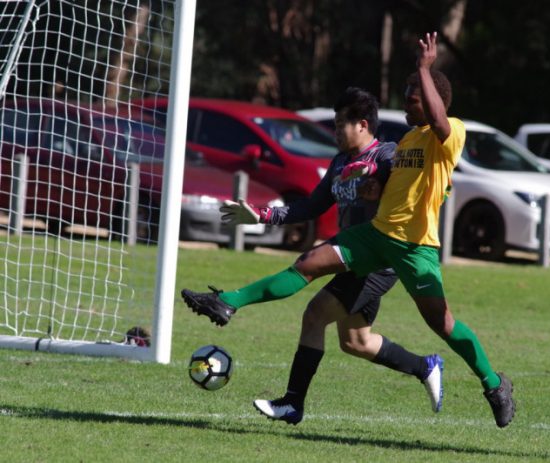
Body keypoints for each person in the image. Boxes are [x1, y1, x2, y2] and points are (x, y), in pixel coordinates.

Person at [182, 32, 515, 428]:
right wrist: (375, 188)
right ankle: (229, 302)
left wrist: (425, 69)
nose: (405, 102)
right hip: (374, 237)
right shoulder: (406, 139)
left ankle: (494, 384)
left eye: (412, 96)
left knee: (442, 324)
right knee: (308, 264)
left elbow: (439, 123)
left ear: (431, 100)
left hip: (413, 249)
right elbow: (387, 187)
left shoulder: (450, 132)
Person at [217, 86, 444, 424]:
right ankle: (425, 366)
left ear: (363, 125)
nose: (336, 131)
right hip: (352, 256)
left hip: (377, 260)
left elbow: (409, 185)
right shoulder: (340, 162)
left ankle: (292, 403)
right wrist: (261, 215)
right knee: (356, 341)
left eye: (341, 124)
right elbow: (310, 206)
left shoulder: (387, 156)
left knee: (313, 314)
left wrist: (374, 179)